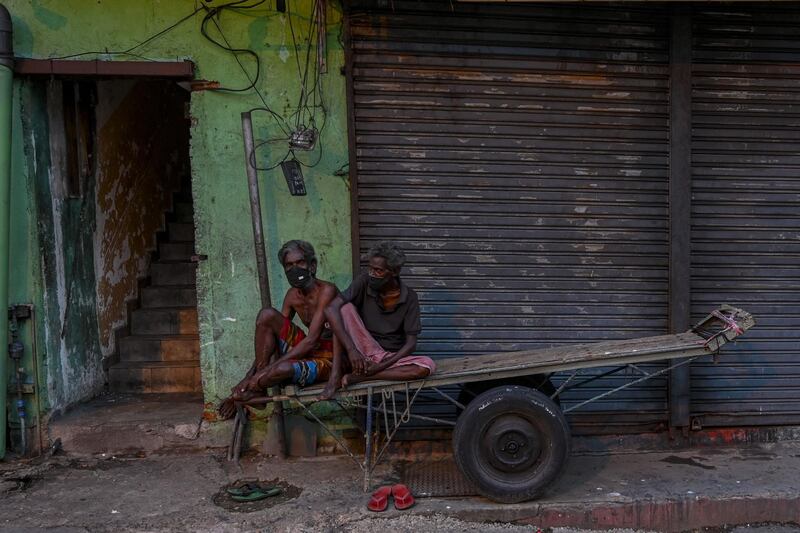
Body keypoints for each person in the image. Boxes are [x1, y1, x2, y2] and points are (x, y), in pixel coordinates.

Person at [218, 239, 338, 419]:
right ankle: (256, 390)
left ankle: (252, 389)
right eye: (289, 265)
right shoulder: (292, 295)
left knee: (281, 369)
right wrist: (249, 375)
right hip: (308, 351)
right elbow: (272, 336)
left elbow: (312, 339)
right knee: (267, 315)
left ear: (312, 266)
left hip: (329, 360)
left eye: (300, 263)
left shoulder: (327, 291)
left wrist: (265, 372)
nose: (294, 268)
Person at [320, 241, 435, 400]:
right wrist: (352, 350)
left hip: (388, 358)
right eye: (371, 269)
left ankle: (364, 377)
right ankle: (335, 378)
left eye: (378, 271)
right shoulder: (364, 281)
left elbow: (410, 344)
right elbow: (329, 309)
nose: (372, 274)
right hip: (361, 350)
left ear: (394, 271)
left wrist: (379, 367)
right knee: (343, 309)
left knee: (426, 366)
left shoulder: (410, 297)